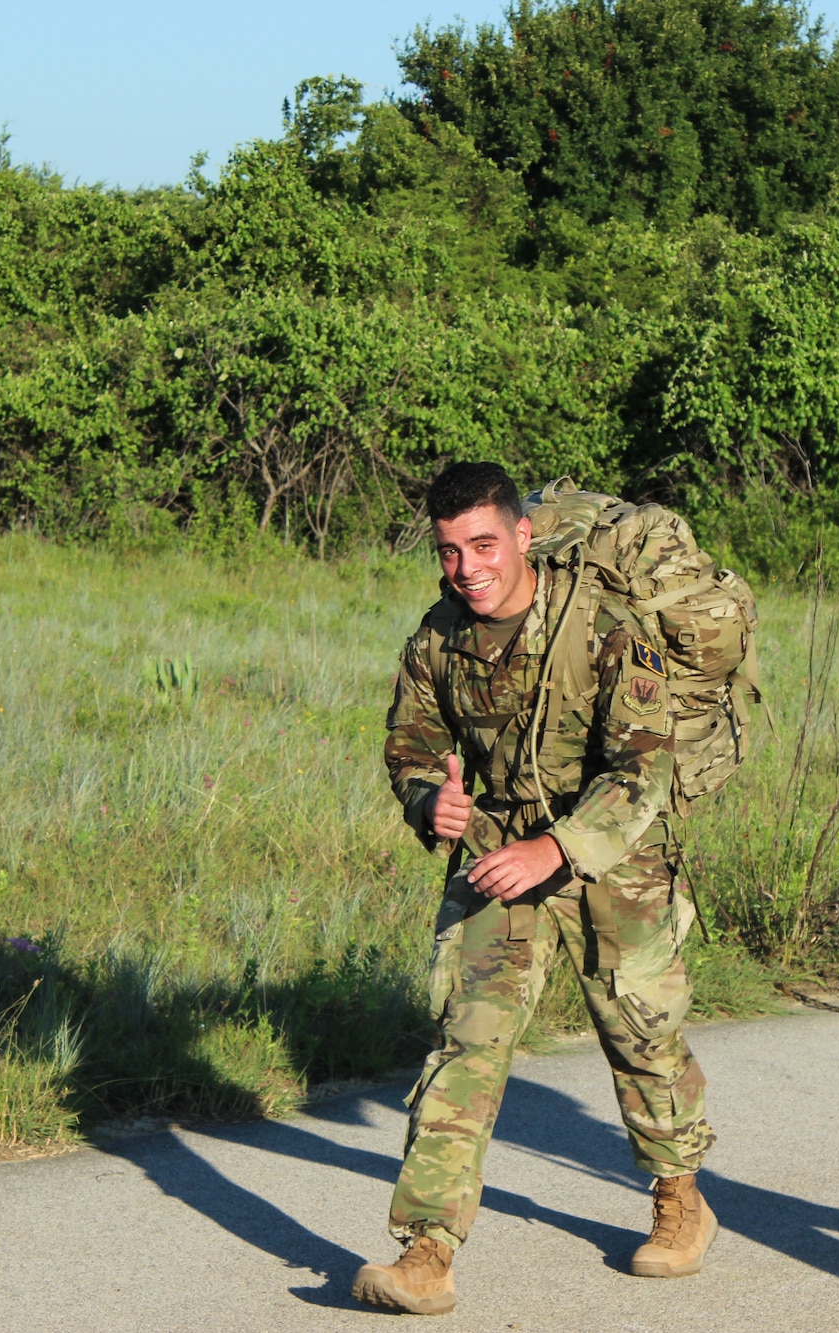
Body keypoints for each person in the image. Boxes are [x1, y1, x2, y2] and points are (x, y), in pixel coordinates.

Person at [353, 462, 717, 1316]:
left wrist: (557, 848)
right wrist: (428, 801)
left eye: (484, 544)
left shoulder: (601, 625)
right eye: (449, 551)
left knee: (641, 1032)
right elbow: (409, 747)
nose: (467, 567)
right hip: (497, 848)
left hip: (610, 850)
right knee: (465, 1039)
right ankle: (427, 1250)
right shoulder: (437, 639)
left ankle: (679, 1197)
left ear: (523, 536)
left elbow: (643, 769)